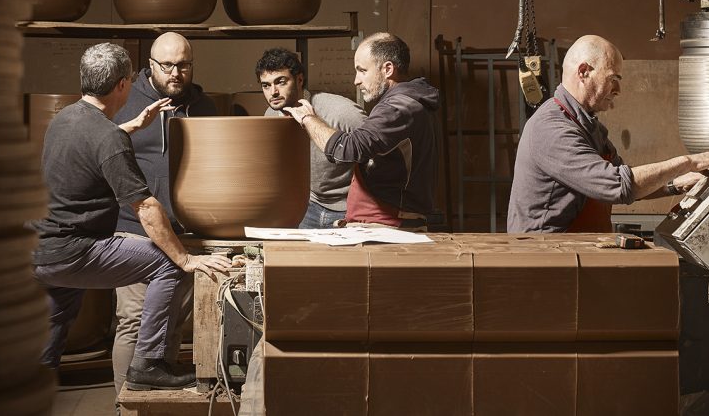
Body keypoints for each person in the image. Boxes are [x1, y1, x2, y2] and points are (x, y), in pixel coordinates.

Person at [30, 42, 230, 391]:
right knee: (168, 264)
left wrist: (129, 128)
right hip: (76, 250)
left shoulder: (65, 118)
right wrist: (185, 258)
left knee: (47, 343)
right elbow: (146, 207)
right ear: (123, 84)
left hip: (41, 252)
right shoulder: (107, 136)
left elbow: (93, 144)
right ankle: (149, 364)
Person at [507, 34, 709, 233]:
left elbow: (631, 185)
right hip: (546, 257)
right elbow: (618, 185)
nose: (618, 90)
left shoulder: (588, 126)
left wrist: (676, 185)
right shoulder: (552, 128)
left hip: (576, 249)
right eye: (613, 79)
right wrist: (689, 162)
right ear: (584, 72)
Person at [111, 32, 219, 396]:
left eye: (184, 65)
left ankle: (158, 402)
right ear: (151, 65)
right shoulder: (125, 103)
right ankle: (125, 407)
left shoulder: (204, 107)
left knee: (170, 325)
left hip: (187, 234)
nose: (176, 73)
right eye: (168, 65)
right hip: (134, 231)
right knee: (135, 322)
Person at [282, 32, 440, 230]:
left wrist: (308, 118)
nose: (356, 80)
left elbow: (345, 149)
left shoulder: (398, 109)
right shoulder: (403, 104)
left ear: (387, 69)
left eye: (362, 70)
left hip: (389, 227)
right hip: (380, 225)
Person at [255, 47, 367, 228]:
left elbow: (380, 154)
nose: (273, 92)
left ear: (299, 80)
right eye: (266, 85)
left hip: (348, 208)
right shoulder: (270, 114)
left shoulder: (340, 111)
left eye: (281, 82)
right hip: (307, 206)